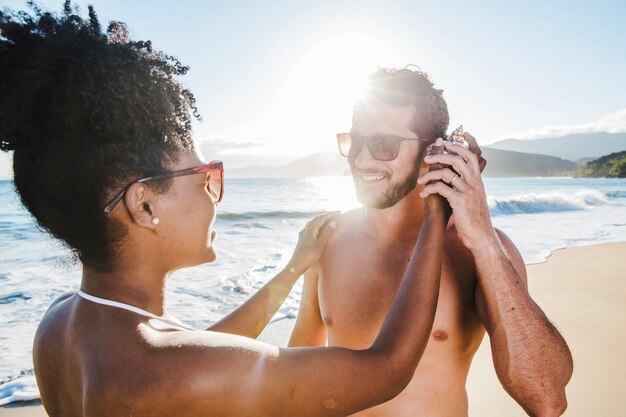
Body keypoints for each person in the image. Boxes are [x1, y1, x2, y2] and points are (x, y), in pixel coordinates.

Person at [0, 4, 455, 417]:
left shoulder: (60, 324)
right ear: (144, 205)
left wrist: (292, 269)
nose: (216, 192)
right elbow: (388, 368)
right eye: (205, 176)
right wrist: (435, 207)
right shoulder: (169, 372)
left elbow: (201, 349)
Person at [289, 68, 574, 416]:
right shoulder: (328, 240)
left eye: (384, 145)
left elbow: (546, 399)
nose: (362, 160)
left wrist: (483, 241)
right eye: (355, 141)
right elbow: (294, 375)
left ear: (433, 154)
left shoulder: (474, 250)